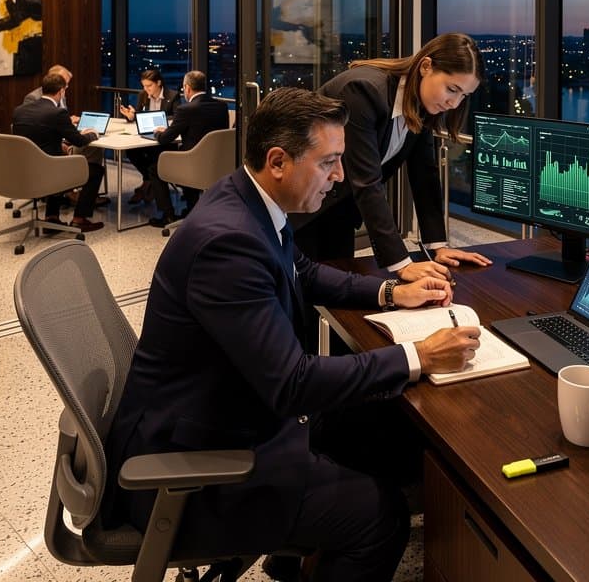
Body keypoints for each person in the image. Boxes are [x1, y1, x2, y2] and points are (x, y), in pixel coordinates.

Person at [102, 86, 480, 581]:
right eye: (329, 162)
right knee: (380, 518)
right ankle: (312, 543)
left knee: (392, 432)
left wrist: (391, 293)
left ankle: (296, 554)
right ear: (278, 161)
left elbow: (303, 271)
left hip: (224, 409)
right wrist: (418, 356)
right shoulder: (229, 245)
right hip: (195, 462)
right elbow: (293, 383)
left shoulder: (245, 199)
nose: (340, 176)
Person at [292, 32, 493, 281]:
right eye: (452, 89)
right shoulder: (363, 91)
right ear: (426, 66)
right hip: (299, 205)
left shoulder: (422, 104)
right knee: (298, 298)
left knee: (334, 296)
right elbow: (366, 181)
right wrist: (401, 264)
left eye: (464, 95)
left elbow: (424, 175)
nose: (454, 103)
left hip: (338, 208)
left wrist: (438, 246)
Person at [11, 71, 105, 232]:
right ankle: (79, 219)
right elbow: (79, 141)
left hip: (24, 171)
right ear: (61, 91)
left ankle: (52, 218)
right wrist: (92, 133)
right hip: (49, 172)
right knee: (95, 170)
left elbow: (40, 136)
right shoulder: (57, 113)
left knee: (56, 161)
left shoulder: (19, 110)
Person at [146, 69, 230, 227]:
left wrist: (158, 132)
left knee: (154, 168)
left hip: (192, 165)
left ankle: (168, 215)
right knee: (185, 157)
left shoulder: (186, 109)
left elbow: (165, 139)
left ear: (187, 88)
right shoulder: (221, 107)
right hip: (216, 163)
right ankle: (193, 209)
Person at [117, 68, 181, 204]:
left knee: (154, 155)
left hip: (164, 138)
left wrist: (160, 122)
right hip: (147, 135)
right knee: (131, 151)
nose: (146, 89)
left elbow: (177, 118)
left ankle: (148, 185)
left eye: (149, 86)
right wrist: (131, 116)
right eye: (144, 86)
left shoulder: (172, 96)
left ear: (158, 83)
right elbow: (139, 115)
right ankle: (149, 181)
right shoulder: (143, 95)